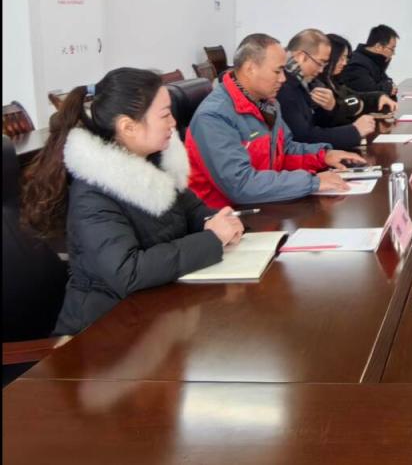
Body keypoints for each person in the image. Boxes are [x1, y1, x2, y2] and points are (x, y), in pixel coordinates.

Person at [19, 68, 245, 335]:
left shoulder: (155, 162)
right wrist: (211, 239)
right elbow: (128, 272)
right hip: (101, 332)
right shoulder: (93, 192)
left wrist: (218, 221)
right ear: (128, 127)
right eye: (165, 115)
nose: (174, 123)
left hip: (152, 310)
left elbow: (192, 210)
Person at [186, 33, 361, 209]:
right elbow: (241, 185)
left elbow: (284, 150)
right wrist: (312, 182)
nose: (283, 79)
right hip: (225, 216)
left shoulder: (267, 104)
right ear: (250, 68)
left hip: (263, 205)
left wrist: (323, 156)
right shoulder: (214, 117)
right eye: (277, 71)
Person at [277, 29, 374, 151]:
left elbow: (316, 124)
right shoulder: (284, 87)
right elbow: (303, 137)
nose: (321, 70)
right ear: (301, 57)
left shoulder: (304, 82)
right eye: (320, 63)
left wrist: (330, 108)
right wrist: (354, 132)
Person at [313, 33, 396, 128]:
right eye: (341, 58)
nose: (344, 63)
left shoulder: (334, 80)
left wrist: (378, 97)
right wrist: (354, 107)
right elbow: (327, 121)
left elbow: (354, 96)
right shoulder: (317, 85)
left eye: (346, 58)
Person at [340, 24, 399, 96]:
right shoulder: (357, 65)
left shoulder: (373, 61)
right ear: (378, 47)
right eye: (392, 49)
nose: (393, 53)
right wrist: (388, 88)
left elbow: (386, 81)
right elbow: (369, 91)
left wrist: (389, 85)